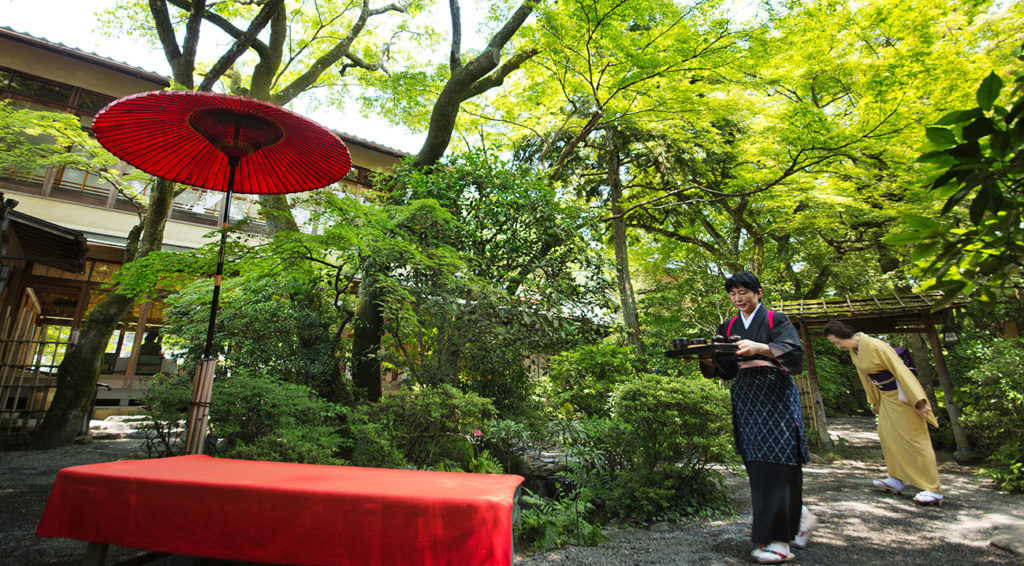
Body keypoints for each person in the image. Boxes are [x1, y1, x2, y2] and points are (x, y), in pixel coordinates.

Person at [698, 271, 815, 564]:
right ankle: (798, 517)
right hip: (747, 397)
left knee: (778, 462)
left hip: (775, 396)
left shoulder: (777, 320)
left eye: (744, 293)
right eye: (733, 294)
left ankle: (780, 541)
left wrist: (761, 348)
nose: (738, 299)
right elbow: (725, 368)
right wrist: (703, 356)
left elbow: (794, 353)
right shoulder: (728, 326)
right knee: (758, 465)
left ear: (758, 293)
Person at [822, 320, 943, 506]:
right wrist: (874, 400)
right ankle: (896, 477)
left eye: (838, 342)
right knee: (887, 435)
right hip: (886, 398)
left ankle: (932, 489)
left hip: (903, 397)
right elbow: (866, 377)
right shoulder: (855, 350)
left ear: (846, 335)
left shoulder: (875, 345)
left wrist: (918, 402)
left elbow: (901, 372)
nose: (838, 347)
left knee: (915, 439)